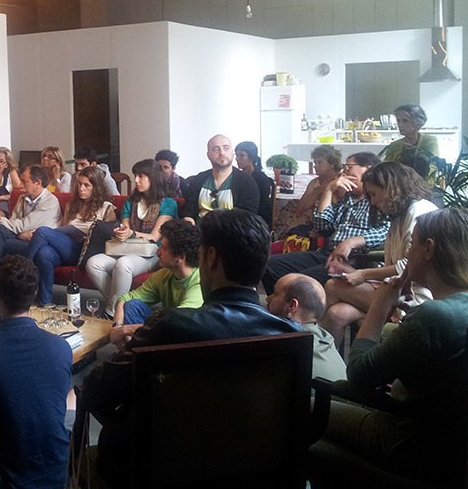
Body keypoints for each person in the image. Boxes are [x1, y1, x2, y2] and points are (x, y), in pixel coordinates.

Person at [80, 209, 301, 487]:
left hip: (160, 470)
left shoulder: (171, 326)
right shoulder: (292, 334)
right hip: (257, 472)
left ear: (211, 257)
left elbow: (96, 391)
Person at [318, 208, 468, 484]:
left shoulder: (436, 316)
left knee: (301, 405)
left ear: (428, 249)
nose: (406, 254)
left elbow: (358, 375)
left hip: (414, 446)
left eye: (411, 244)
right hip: (465, 452)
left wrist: (380, 306)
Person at [0, 255, 72, 489]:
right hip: (60, 476)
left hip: (6, 481)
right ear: (35, 294)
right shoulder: (62, 348)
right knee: (70, 398)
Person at [319, 162, 437, 345]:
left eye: (374, 194)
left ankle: (318, 353)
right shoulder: (399, 215)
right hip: (397, 290)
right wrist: (353, 272)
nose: (372, 202)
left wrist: (364, 274)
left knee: (333, 286)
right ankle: (329, 362)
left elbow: (410, 265)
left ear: (391, 188)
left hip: (416, 299)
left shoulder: (419, 212)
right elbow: (395, 265)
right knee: (337, 313)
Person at [262, 152, 390, 295]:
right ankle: (280, 305)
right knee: (269, 266)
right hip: (329, 254)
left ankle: (297, 306)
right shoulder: (348, 197)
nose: (343, 172)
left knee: (296, 284)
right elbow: (322, 226)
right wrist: (329, 189)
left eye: (349, 168)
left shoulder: (377, 199)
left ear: (367, 168)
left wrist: (352, 242)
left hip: (355, 259)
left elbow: (387, 230)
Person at [86, 159, 178, 318]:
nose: (136, 180)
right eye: (135, 175)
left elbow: (154, 237)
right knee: (93, 263)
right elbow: (126, 228)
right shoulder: (130, 202)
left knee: (124, 264)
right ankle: (123, 305)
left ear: (153, 177)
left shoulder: (168, 203)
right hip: (127, 248)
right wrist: (122, 233)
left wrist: (132, 234)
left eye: (141, 176)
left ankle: (111, 312)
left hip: (153, 253)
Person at [25, 166, 116, 305]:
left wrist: (91, 238)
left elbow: (108, 238)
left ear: (96, 187)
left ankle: (24, 272)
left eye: (86, 185)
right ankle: (45, 303)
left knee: (42, 231)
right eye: (80, 184)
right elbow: (64, 229)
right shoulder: (71, 205)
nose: (81, 188)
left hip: (85, 251)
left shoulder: (107, 208)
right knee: (44, 253)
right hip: (67, 246)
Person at [108, 219, 203, 351]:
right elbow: (124, 299)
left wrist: (125, 330)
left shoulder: (198, 282)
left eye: (163, 248)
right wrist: (117, 327)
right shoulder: (164, 275)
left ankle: (137, 353)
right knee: (133, 305)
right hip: (168, 328)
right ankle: (134, 352)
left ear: (180, 257)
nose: (158, 251)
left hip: (186, 341)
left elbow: (177, 323)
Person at [266, 273, 346, 381]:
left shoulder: (286, 347)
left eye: (275, 294)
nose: (268, 298)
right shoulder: (325, 339)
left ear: (292, 305)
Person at [0, 165, 61, 268]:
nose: (20, 185)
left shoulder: (50, 201)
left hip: (38, 243)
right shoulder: (22, 198)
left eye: (24, 182)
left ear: (38, 183)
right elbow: (13, 222)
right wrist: (18, 233)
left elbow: (24, 225)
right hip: (21, 237)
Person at [181, 135, 259, 224]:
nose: (222, 152)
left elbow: (247, 216)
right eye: (216, 149)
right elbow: (189, 209)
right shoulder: (198, 180)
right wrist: (189, 225)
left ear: (232, 152)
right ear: (208, 155)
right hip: (198, 230)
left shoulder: (247, 182)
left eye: (226, 148)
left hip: (233, 230)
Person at [379, 104, 439, 176]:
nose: (400, 125)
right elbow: (387, 169)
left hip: (424, 181)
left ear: (417, 123)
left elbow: (431, 166)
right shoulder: (394, 145)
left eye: (405, 121)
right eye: (398, 121)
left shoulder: (429, 141)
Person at [234, 141, 275, 227]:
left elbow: (262, 205)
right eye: (236, 155)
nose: (237, 158)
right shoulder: (237, 176)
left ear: (251, 157)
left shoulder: (262, 179)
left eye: (241, 155)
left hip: (257, 218)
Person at [295, 144, 343, 214]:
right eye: (315, 163)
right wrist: (320, 189)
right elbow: (301, 207)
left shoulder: (341, 181)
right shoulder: (315, 183)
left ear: (332, 164)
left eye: (320, 162)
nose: (315, 166)